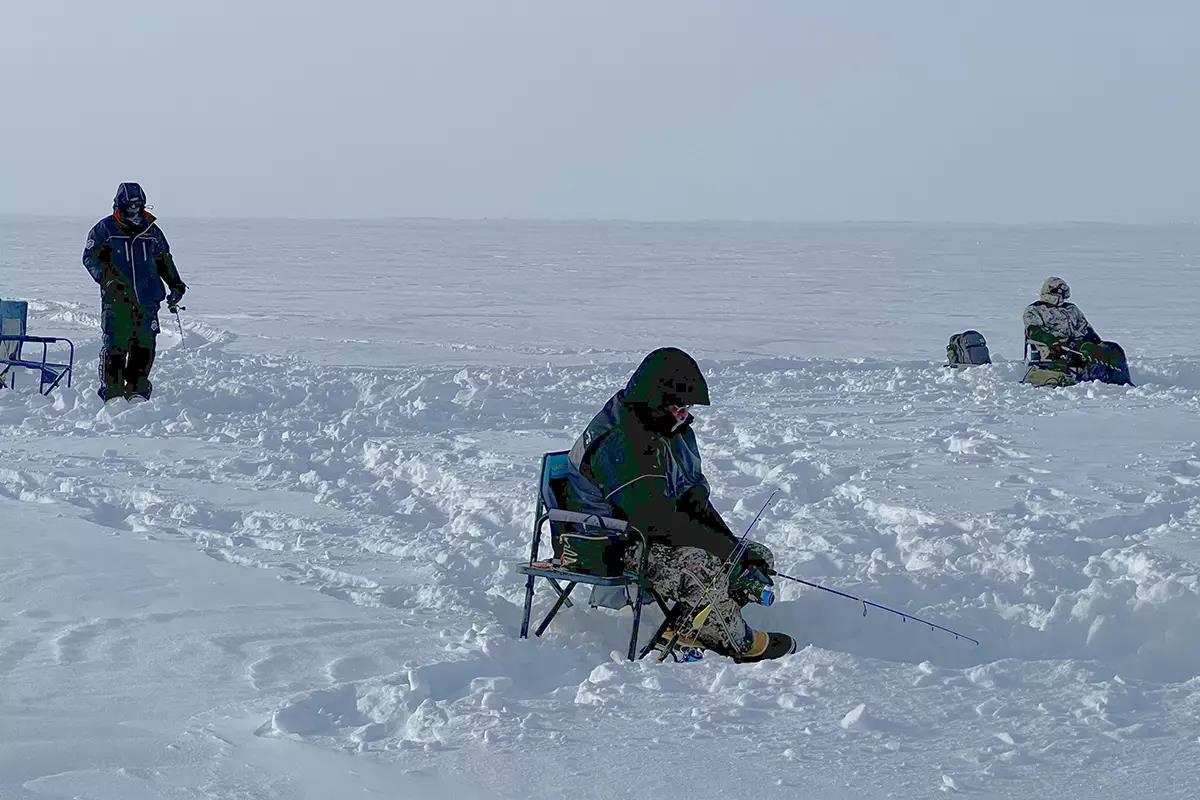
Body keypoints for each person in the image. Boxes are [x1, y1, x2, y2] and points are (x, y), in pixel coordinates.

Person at [564, 347, 796, 663]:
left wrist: (734, 550)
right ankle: (737, 642)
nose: (684, 414)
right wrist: (726, 554)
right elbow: (656, 521)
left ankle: (691, 626)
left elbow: (692, 503)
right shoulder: (623, 440)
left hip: (643, 533)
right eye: (679, 406)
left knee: (754, 556)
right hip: (606, 543)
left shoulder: (661, 426)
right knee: (705, 568)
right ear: (655, 398)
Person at [82, 183, 187, 401]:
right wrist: (106, 279)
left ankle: (138, 390)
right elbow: (90, 258)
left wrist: (176, 285)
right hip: (116, 298)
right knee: (115, 344)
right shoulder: (105, 230)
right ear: (120, 205)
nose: (133, 210)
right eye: (129, 205)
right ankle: (112, 393)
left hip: (147, 298)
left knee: (144, 345)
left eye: (138, 205)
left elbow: (164, 259)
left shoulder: (152, 231)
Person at [1023, 277, 1132, 387]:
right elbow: (1034, 331)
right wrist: (1053, 342)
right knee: (1088, 355)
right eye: (1058, 293)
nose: (1061, 297)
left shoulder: (1071, 309)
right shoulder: (1034, 310)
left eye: (1063, 293)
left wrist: (1097, 345)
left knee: (1113, 349)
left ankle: (1120, 381)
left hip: (1078, 346)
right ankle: (1094, 381)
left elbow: (1086, 329)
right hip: (1055, 349)